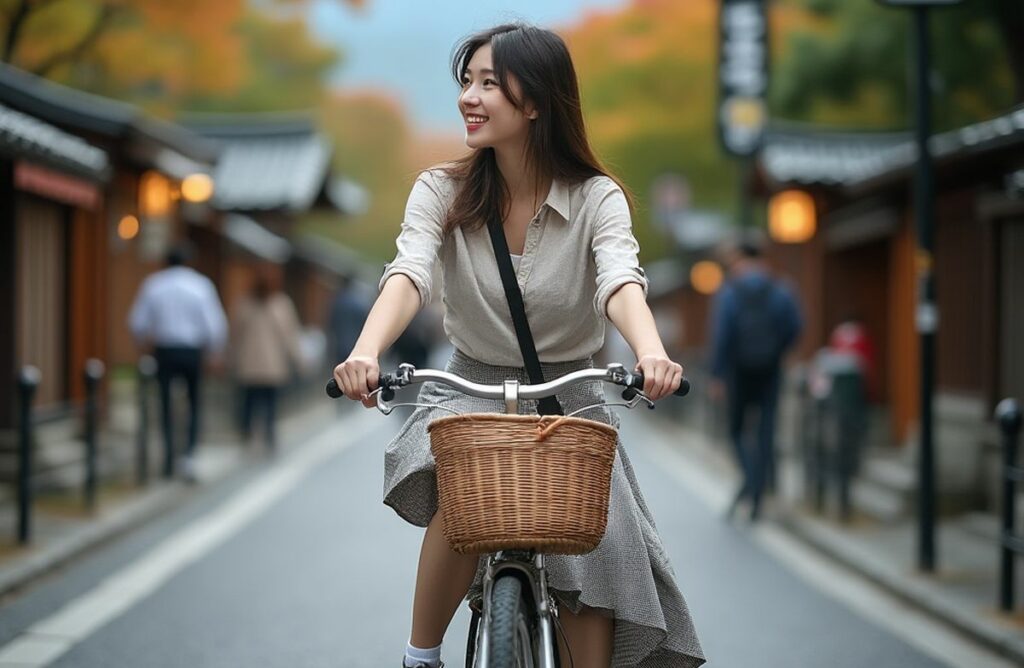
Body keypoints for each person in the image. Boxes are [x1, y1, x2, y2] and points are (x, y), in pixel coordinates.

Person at [333, 23, 704, 668]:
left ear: (535, 103)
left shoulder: (597, 198)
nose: (468, 99)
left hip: (570, 392)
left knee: (598, 544)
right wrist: (366, 352)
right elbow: (409, 271)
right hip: (470, 383)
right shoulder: (440, 190)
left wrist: (651, 352)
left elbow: (620, 277)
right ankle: (421, 657)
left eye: (488, 85)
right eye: (465, 83)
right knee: (460, 490)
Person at [709, 242, 802, 522]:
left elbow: (722, 335)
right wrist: (777, 351)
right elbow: (796, 325)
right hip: (771, 370)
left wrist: (717, 373)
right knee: (766, 431)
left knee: (737, 430)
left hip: (738, 371)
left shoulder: (729, 292)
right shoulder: (781, 289)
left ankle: (750, 481)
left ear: (741, 261)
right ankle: (759, 494)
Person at [128, 242, 228, 482]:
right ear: (188, 261)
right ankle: (189, 457)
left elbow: (136, 322)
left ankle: (168, 458)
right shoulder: (200, 285)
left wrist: (143, 345)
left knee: (164, 403)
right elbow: (215, 325)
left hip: (164, 350)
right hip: (192, 351)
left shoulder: (154, 284)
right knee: (194, 402)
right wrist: (215, 352)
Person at [230, 266, 305, 452]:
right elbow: (290, 336)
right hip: (272, 365)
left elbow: (234, 334)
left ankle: (250, 435)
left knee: (250, 402)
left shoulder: (245, 304)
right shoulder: (280, 304)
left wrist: (231, 357)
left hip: (249, 364)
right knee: (267, 403)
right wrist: (298, 360)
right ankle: (267, 436)